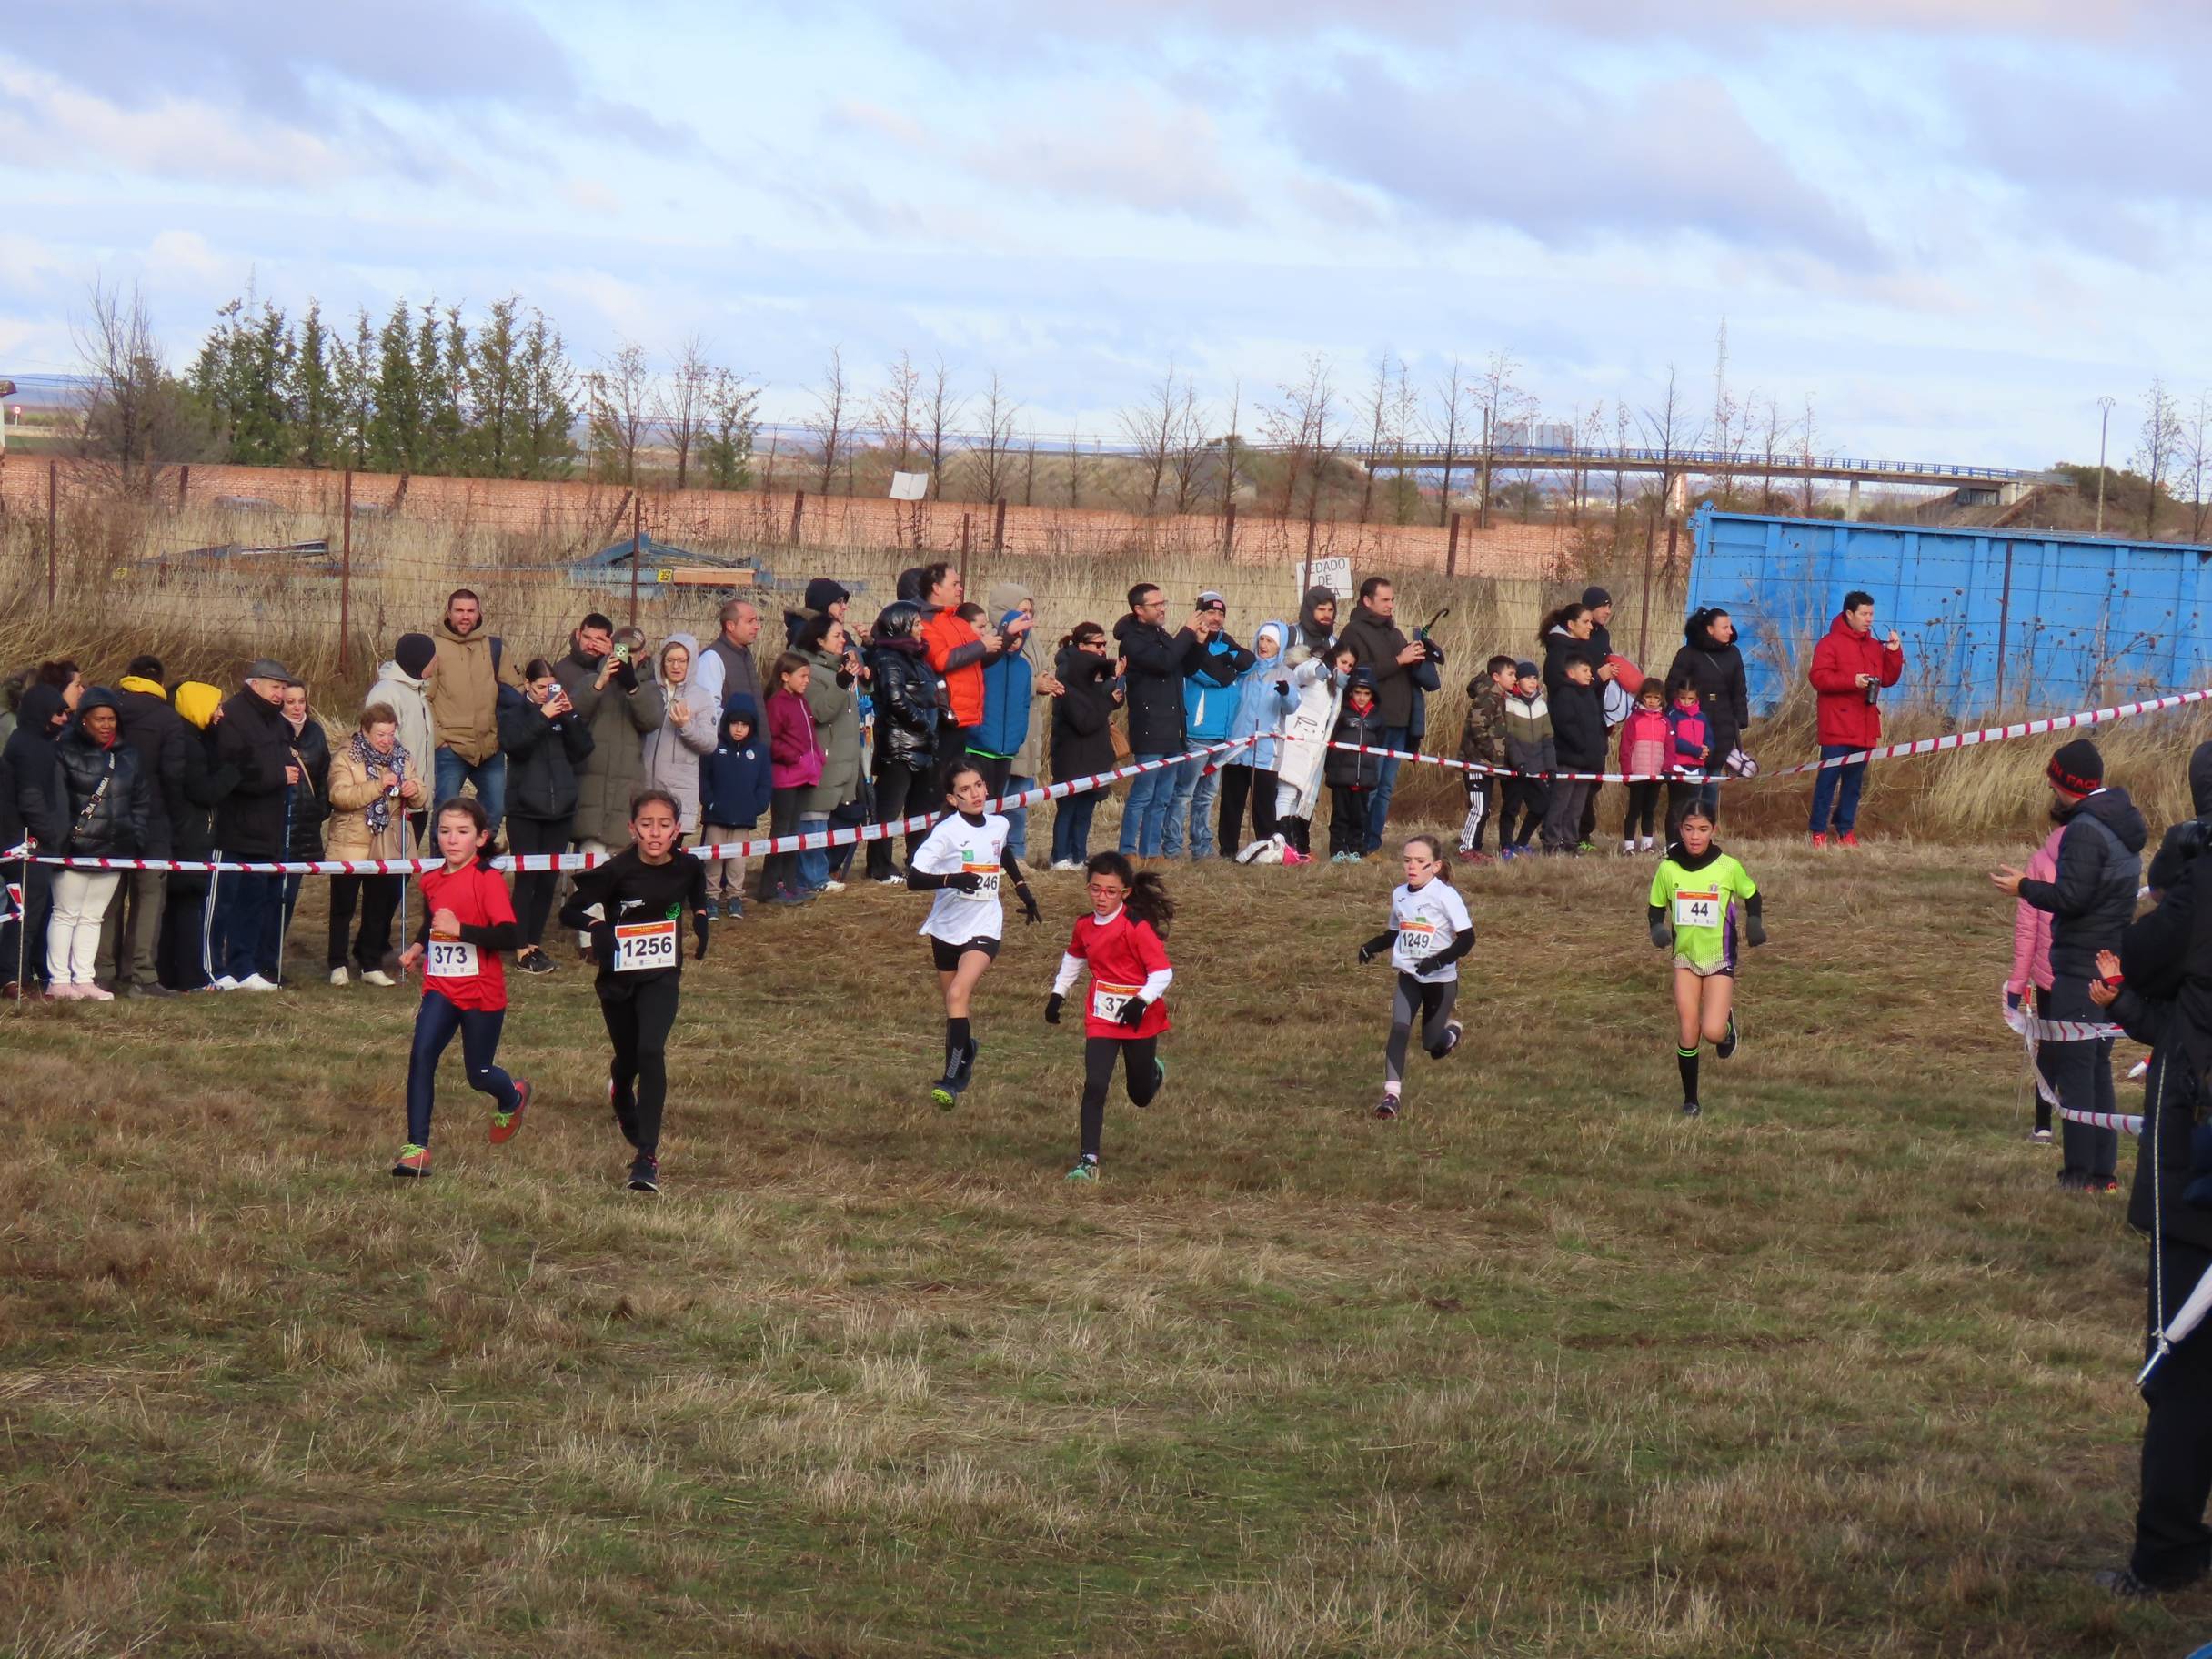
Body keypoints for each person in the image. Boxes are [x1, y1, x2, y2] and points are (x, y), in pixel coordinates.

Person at [1990, 739, 2147, 1191]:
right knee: (2096, 1065)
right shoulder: (2120, 824)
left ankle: (2080, 1173)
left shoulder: (2084, 830)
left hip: (2081, 964)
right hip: (2110, 961)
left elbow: (2071, 897)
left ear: (2066, 784)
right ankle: (2103, 1171)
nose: (2052, 792)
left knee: (2078, 1068)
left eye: (2054, 783)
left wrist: (2025, 887)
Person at [559, 789, 710, 1193]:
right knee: (628, 1057)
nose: (655, 833)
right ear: (633, 829)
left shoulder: (687, 865)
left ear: (677, 830)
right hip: (619, 979)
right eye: (647, 824)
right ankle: (621, 1087)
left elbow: (696, 885)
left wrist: (700, 918)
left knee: (651, 1051)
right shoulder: (617, 870)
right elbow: (568, 911)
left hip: (662, 974)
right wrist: (596, 927)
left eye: (664, 825)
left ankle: (646, 1157)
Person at [389, 797, 531, 1178]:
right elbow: (434, 921)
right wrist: (418, 947)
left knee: (478, 1074)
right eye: (445, 831)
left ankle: (513, 1096)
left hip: (481, 992)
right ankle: (417, 1149)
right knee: (421, 1056)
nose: (452, 839)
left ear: (481, 838)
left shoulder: (487, 881)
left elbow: (510, 936)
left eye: (463, 832)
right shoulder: (432, 879)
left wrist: (461, 931)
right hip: (440, 987)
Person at [906, 759, 1041, 1109]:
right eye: (965, 790)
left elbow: (1002, 851)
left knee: (957, 994)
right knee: (954, 1005)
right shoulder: (945, 833)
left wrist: (1023, 890)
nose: (975, 793)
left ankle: (950, 1081)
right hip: (946, 928)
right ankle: (966, 1049)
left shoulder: (999, 823)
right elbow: (914, 879)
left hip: (985, 924)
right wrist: (952, 879)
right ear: (953, 799)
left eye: (978, 785)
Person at [1045, 850, 1172, 1181]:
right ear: (1088, 887)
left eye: (1110, 891)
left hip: (1139, 1017)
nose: (1102, 898)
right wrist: (1058, 994)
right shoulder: (1084, 925)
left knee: (1139, 1095)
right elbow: (1075, 956)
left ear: (1125, 893)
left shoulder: (1136, 927)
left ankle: (1153, 1072)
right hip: (1101, 1016)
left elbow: (1162, 973)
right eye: (1096, 889)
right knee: (1096, 1084)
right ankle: (1088, 1161)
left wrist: (1140, 1001)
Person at [555, 612, 666, 940]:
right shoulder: (591, 680)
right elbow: (574, 713)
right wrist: (601, 681)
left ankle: (620, 932)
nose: (626, 657)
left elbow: (652, 719)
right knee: (590, 865)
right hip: (591, 785)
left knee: (622, 867)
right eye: (620, 650)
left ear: (643, 654)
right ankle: (589, 937)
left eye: (632, 652)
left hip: (626, 789)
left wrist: (632, 686)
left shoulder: (649, 688)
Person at [1649, 806, 1765, 1117]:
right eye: (1689, 829)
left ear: (1713, 830)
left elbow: (1752, 895)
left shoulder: (1728, 867)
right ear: (1680, 830)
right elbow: (1655, 906)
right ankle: (1691, 1100)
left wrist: (1754, 922)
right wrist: (1657, 928)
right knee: (1689, 1029)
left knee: (1711, 1032)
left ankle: (1725, 1025)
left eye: (1702, 829)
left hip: (1719, 957)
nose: (1695, 836)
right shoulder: (1668, 868)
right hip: (1685, 958)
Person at [45, 689, 151, 1000]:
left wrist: (135, 836)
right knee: (66, 914)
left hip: (116, 849)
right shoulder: (63, 751)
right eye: (99, 719)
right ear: (84, 721)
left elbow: (141, 801)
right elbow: (58, 800)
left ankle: (84, 978)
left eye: (111, 719)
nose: (107, 725)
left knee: (93, 917)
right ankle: (59, 980)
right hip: (74, 850)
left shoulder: (129, 755)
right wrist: (63, 841)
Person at [1356, 834, 1471, 1120]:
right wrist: (1372, 946)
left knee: (1431, 1044)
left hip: (1440, 982)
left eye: (1420, 861)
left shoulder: (1445, 896)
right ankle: (1391, 1097)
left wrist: (1438, 961)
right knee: (1399, 1029)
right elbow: (1396, 932)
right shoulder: (1399, 894)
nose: (1412, 866)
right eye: (1407, 860)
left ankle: (1450, 1033)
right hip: (1409, 976)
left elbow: (1467, 939)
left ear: (1435, 866)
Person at [208, 660, 302, 992]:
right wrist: (277, 775)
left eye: (283, 688)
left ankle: (244, 966)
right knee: (222, 905)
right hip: (233, 829)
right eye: (275, 687)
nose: (280, 694)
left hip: (267, 830)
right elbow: (231, 773)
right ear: (254, 684)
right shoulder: (233, 716)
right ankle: (214, 968)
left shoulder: (275, 722)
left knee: (253, 904)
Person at [104, 657, 190, 998]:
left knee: (107, 898)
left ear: (128, 677)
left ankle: (102, 972)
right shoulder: (168, 718)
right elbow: (174, 775)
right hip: (154, 820)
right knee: (149, 898)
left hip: (108, 819)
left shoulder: (107, 708)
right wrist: (176, 819)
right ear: (159, 682)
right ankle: (141, 974)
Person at [499, 660, 594, 975]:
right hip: (525, 811)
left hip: (560, 811)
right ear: (528, 685)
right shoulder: (514, 713)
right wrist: (542, 717)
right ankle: (520, 947)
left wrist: (569, 716)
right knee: (527, 880)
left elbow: (583, 749)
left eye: (551, 687)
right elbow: (515, 746)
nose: (546, 693)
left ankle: (534, 943)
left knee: (547, 881)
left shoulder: (563, 713)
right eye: (540, 687)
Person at [325, 703, 427, 987]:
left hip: (387, 843)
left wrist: (414, 790)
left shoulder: (402, 757)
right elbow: (340, 796)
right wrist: (378, 785)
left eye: (391, 734)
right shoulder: (346, 757)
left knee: (379, 905)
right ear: (365, 731)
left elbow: (422, 796)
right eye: (381, 735)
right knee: (343, 906)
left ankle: (370, 963)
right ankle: (337, 963)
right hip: (351, 841)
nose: (386, 741)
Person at [1114, 584, 1210, 858]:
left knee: (1163, 796)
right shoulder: (1132, 642)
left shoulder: (1162, 635)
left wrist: (1198, 643)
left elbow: (1184, 667)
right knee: (1143, 794)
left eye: (1163, 603)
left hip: (1173, 727)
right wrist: (1187, 632)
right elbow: (1164, 662)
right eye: (1155, 605)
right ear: (1139, 610)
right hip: (1149, 727)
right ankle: (1128, 851)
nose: (1162, 608)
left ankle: (1151, 852)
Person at [1334, 578, 1429, 852]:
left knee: (1385, 788)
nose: (1391, 605)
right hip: (1372, 723)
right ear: (1367, 601)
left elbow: (1408, 670)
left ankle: (1372, 843)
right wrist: (1399, 660)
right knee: (1369, 786)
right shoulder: (1354, 632)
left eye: (1392, 600)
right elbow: (1358, 674)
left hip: (1400, 723)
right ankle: (1356, 842)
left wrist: (1422, 657)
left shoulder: (1394, 633)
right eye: (1385, 600)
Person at [1806, 590, 1905, 847]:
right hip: (1836, 724)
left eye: (1871, 614)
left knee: (1854, 783)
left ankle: (1845, 830)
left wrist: (1894, 653)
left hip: (1864, 724)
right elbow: (1818, 678)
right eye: (1864, 614)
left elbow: (1888, 678)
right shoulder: (1829, 643)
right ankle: (1818, 831)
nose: (1869, 619)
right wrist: (1851, 681)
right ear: (1849, 614)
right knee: (1828, 779)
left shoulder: (1874, 646)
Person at [423, 589, 520, 839]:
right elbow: (424, 698)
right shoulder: (434, 649)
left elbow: (514, 689)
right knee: (446, 816)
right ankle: (441, 862)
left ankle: (480, 860)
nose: (465, 616)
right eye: (459, 611)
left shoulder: (495, 647)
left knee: (494, 813)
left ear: (479, 614)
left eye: (470, 611)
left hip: (490, 747)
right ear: (448, 613)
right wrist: (440, 739)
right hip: (450, 748)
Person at [1166, 591, 1255, 860]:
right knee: (1184, 793)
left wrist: (1227, 662)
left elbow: (1248, 662)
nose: (1216, 618)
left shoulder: (1226, 643)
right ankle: (1172, 847)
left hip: (1222, 734)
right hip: (1197, 732)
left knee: (1207, 796)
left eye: (1220, 613)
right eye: (1210, 612)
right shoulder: (1189, 645)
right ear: (1199, 614)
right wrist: (1227, 665)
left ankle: (1202, 847)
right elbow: (1212, 676)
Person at [158, 682, 234, 993]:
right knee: (187, 906)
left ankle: (170, 974)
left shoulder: (193, 740)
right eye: (216, 707)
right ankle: (190, 976)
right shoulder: (190, 746)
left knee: (178, 907)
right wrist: (233, 771)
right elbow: (203, 791)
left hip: (185, 833)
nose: (221, 714)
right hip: (188, 835)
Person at [862, 601, 942, 886]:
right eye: (917, 623)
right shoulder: (888, 659)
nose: (922, 628)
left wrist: (940, 716)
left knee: (920, 810)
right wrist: (923, 724)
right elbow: (896, 701)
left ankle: (919, 862)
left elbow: (931, 694)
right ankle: (880, 866)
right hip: (899, 747)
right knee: (888, 810)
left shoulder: (917, 658)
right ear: (901, 625)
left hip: (922, 745)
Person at [1, 681, 70, 991]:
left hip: (32, 843)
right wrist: (50, 834)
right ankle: (13, 979)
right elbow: (31, 798)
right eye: (58, 712)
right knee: (24, 914)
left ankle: (22, 975)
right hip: (28, 844)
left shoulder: (33, 743)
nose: (64, 718)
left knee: (29, 913)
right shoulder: (30, 746)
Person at [919, 564, 1007, 791]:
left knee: (953, 784)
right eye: (955, 583)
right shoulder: (926, 622)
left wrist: (1008, 636)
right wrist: (981, 646)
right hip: (944, 715)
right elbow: (941, 660)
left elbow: (980, 657)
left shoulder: (957, 621)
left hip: (964, 716)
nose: (960, 588)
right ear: (936, 588)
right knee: (937, 786)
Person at [795, 614, 866, 895]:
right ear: (819, 640)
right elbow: (820, 712)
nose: (843, 640)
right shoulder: (810, 673)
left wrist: (862, 680)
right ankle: (812, 877)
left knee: (833, 819)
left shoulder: (839, 670)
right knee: (814, 818)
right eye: (836, 635)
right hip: (823, 760)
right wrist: (841, 683)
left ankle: (823, 870)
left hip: (844, 760)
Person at [2005, 817, 2063, 1146]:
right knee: (2081, 1050)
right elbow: (2028, 931)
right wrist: (2017, 984)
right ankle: (2056, 1123)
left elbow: (2027, 933)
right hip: (2070, 976)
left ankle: (2044, 1126)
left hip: (2054, 976)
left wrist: (2017, 983)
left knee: (2051, 1048)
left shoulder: (2040, 862)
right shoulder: (2104, 855)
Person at [1274, 641, 1354, 864]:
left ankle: (1290, 847)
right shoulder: (1316, 671)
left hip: (1312, 749)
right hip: (1296, 740)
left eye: (1350, 665)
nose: (1346, 668)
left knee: (1296, 797)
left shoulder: (1337, 688)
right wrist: (1321, 668)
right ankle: (1281, 844)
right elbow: (1303, 672)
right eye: (1343, 662)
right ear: (1333, 657)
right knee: (1286, 793)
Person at [271, 682, 331, 980]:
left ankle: (273, 960)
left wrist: (320, 810)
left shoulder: (316, 733)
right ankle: (259, 961)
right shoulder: (271, 730)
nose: (297, 707)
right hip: (276, 828)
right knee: (270, 899)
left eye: (301, 701)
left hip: (305, 829)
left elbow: (324, 776)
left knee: (289, 898)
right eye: (290, 701)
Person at [1666, 608, 1749, 821]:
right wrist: (1678, 716)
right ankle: (1688, 824)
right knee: (1693, 783)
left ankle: (1707, 826)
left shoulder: (1733, 653)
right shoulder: (1688, 654)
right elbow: (1673, 687)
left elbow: (1739, 690)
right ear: (1710, 629)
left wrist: (1740, 719)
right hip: (1691, 728)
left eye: (1730, 626)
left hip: (1723, 726)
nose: (1730, 631)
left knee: (1712, 781)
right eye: (1724, 627)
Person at [1050, 622, 1120, 870]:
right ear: (1081, 646)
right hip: (1072, 757)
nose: (1102, 649)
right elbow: (1085, 722)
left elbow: (1100, 705)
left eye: (1105, 644)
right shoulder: (1067, 681)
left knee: (1085, 810)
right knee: (1068, 808)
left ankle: (1078, 856)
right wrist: (1108, 701)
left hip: (1094, 755)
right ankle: (1060, 856)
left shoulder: (1092, 680)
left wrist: (1113, 686)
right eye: (1097, 644)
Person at [1220, 620, 1293, 857]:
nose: (1264, 644)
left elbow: (1292, 705)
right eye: (1262, 639)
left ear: (1279, 646)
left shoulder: (1285, 674)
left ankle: (1265, 847)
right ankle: (1228, 849)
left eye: (1270, 641)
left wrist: (1286, 693)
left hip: (1266, 751)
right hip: (1237, 746)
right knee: (1231, 802)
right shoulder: (1246, 669)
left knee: (1263, 804)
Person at [640, 633, 718, 844]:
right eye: (670, 660)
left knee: (669, 853)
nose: (676, 666)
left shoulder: (701, 697)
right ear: (661, 662)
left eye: (682, 661)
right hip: (643, 788)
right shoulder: (649, 691)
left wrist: (686, 726)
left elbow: (709, 743)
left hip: (677, 791)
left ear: (691, 663)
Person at [699, 693, 770, 918]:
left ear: (752, 726)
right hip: (716, 817)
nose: (739, 729)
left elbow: (765, 783)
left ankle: (734, 897)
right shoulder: (714, 747)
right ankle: (711, 897)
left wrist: (757, 806)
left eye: (744, 725)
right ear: (727, 723)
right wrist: (710, 803)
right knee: (713, 859)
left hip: (743, 819)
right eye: (734, 724)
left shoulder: (759, 752)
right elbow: (704, 778)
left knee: (737, 861)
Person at [761, 651, 822, 907]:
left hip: (803, 775)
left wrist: (817, 758)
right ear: (786, 676)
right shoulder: (777, 704)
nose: (807, 680)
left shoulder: (801, 701)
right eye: (803, 675)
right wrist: (795, 757)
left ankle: (789, 883)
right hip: (785, 777)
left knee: (793, 832)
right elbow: (771, 740)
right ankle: (770, 886)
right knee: (781, 831)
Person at [367, 633, 437, 844]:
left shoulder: (416, 690)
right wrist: (401, 783)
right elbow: (381, 746)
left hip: (415, 796)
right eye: (433, 657)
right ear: (420, 660)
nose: (437, 662)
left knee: (408, 857)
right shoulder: (387, 693)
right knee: (392, 857)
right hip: (395, 801)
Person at [1455, 656, 1515, 863]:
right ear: (1496, 676)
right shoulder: (1487, 697)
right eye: (1511, 674)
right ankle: (1466, 848)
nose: (1515, 678)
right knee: (1479, 808)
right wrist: (1493, 754)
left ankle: (1475, 846)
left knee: (1484, 809)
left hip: (1487, 764)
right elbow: (1478, 729)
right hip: (1476, 763)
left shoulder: (1500, 698)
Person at [1543, 656, 1604, 856]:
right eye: (1585, 671)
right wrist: (1582, 746)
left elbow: (1596, 727)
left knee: (1577, 805)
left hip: (1587, 761)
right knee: (1560, 802)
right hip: (1568, 757)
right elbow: (1565, 724)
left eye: (1590, 671)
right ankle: (1551, 842)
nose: (1590, 675)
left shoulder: (1589, 694)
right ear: (1571, 673)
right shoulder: (1563, 694)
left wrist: (1596, 752)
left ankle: (1570, 841)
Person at [1324, 668, 1385, 863]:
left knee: (1359, 816)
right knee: (1340, 815)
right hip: (1342, 774)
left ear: (1372, 695)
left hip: (1364, 776)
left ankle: (1356, 850)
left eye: (1366, 693)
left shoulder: (1378, 717)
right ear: (1351, 692)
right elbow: (1331, 739)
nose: (1361, 697)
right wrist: (1331, 766)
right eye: (1358, 692)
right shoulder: (1341, 712)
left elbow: (1380, 743)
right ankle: (1337, 850)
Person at [1498, 661, 1552, 860]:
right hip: (1515, 768)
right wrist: (1518, 762)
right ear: (1517, 680)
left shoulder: (1541, 705)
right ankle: (1505, 846)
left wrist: (1550, 766)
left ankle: (1521, 843)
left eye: (1535, 677)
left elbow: (1548, 738)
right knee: (1511, 808)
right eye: (1527, 677)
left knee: (1542, 805)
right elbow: (1509, 737)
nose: (1532, 681)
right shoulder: (1509, 703)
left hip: (1536, 767)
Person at [1617, 681, 1671, 855]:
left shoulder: (1665, 722)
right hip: (1637, 773)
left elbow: (1670, 748)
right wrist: (1626, 771)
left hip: (1656, 774)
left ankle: (1647, 845)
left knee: (1649, 810)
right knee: (1634, 810)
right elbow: (1625, 747)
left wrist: (1667, 769)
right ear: (1642, 697)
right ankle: (1628, 846)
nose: (1652, 701)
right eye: (1648, 697)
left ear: (1662, 699)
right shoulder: (1634, 720)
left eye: (1656, 697)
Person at [696, 597, 764, 716]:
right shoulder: (712, 658)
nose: (757, 626)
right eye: (750, 621)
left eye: (756, 621)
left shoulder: (745, 655)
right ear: (730, 626)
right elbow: (709, 710)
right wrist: (736, 725)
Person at [1663, 681, 1711, 844]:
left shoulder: (1702, 717)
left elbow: (1709, 738)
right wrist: (1696, 750)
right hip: (1677, 766)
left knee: (1692, 807)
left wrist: (1707, 749)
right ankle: (1672, 842)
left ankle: (1687, 841)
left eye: (1691, 699)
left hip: (1697, 767)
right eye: (1683, 698)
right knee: (1676, 806)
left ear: (1696, 698)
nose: (1686, 702)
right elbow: (1673, 740)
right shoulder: (1673, 715)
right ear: (1678, 696)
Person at [782, 577, 851, 649]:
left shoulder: (842, 634)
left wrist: (861, 643)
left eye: (844, 602)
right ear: (823, 604)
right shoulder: (805, 633)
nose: (844, 607)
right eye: (839, 602)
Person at [1287, 585, 1338, 666]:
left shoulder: (1333, 642)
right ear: (1310, 610)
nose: (1327, 615)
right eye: (1321, 609)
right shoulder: (1293, 635)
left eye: (1330, 610)